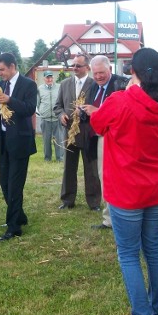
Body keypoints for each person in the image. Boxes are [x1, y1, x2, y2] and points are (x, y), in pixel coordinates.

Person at [90, 47, 158, 315]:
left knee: (128, 255)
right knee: (152, 249)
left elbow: (96, 123)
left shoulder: (120, 100)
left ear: (133, 72)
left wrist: (129, 92)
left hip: (126, 191)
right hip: (157, 189)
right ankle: (157, 312)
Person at [0, 52, 37, 241]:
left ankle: (14, 228)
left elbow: (30, 109)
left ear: (12, 66)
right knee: (4, 182)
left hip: (21, 141)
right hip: (4, 140)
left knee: (15, 185)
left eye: (2, 70)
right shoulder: (0, 86)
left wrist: (11, 100)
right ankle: (19, 216)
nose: (0, 74)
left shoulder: (28, 84)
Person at [80, 55, 128, 229]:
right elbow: (90, 109)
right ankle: (110, 218)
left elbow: (124, 112)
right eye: (95, 73)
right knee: (104, 177)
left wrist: (97, 111)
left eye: (102, 72)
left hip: (116, 138)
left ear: (110, 69)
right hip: (97, 137)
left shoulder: (122, 85)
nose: (98, 76)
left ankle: (117, 217)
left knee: (115, 178)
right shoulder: (93, 86)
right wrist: (84, 112)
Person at [53, 54, 100, 210]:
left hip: (88, 133)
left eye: (78, 66)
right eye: (73, 65)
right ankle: (67, 200)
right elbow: (57, 106)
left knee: (91, 168)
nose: (75, 68)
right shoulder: (65, 84)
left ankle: (94, 202)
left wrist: (86, 113)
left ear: (87, 67)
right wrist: (61, 115)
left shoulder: (94, 84)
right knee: (69, 167)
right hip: (69, 132)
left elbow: (98, 108)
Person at [37, 71, 62, 162]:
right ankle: (47, 158)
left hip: (57, 118)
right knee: (46, 140)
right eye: (47, 77)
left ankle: (60, 158)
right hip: (45, 119)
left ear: (53, 78)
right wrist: (39, 113)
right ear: (44, 79)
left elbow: (62, 101)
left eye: (51, 77)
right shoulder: (40, 89)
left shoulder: (59, 87)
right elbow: (37, 103)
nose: (49, 79)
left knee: (59, 140)